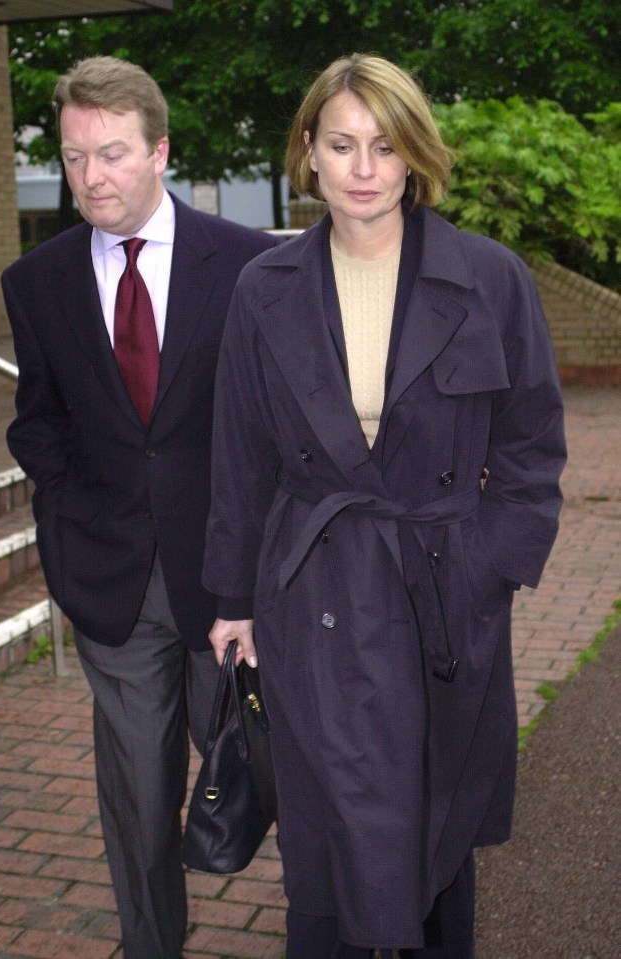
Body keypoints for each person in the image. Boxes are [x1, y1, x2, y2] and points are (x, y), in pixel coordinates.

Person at [204, 54, 567, 958]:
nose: (363, 167)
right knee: (327, 837)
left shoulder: (490, 279)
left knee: (436, 826)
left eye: (384, 145)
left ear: (414, 157)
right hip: (312, 591)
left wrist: (492, 563)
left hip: (441, 593)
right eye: (341, 144)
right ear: (309, 155)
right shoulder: (264, 290)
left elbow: (530, 446)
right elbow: (241, 454)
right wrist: (234, 600)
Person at [2, 56, 277, 959]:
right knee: (138, 800)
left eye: (112, 154)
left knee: (271, 775)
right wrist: (65, 516)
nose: (91, 178)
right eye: (76, 158)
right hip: (111, 583)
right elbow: (37, 419)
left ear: (161, 150)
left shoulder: (247, 267)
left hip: (228, 580)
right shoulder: (35, 282)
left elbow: (275, 423)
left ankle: (332, 925)